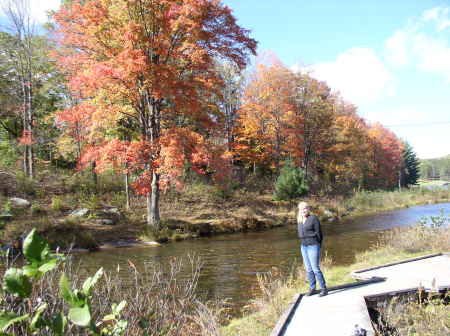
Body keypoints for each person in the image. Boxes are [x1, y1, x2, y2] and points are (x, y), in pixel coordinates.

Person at [297, 201, 328, 297]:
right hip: (303, 247)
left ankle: (324, 289)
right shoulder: (299, 220)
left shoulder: (313, 218)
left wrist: (318, 245)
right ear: (299, 210)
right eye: (301, 209)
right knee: (308, 269)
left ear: (308, 209)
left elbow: (319, 234)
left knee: (315, 268)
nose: (303, 210)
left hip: (313, 246)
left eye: (305, 208)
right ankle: (312, 288)